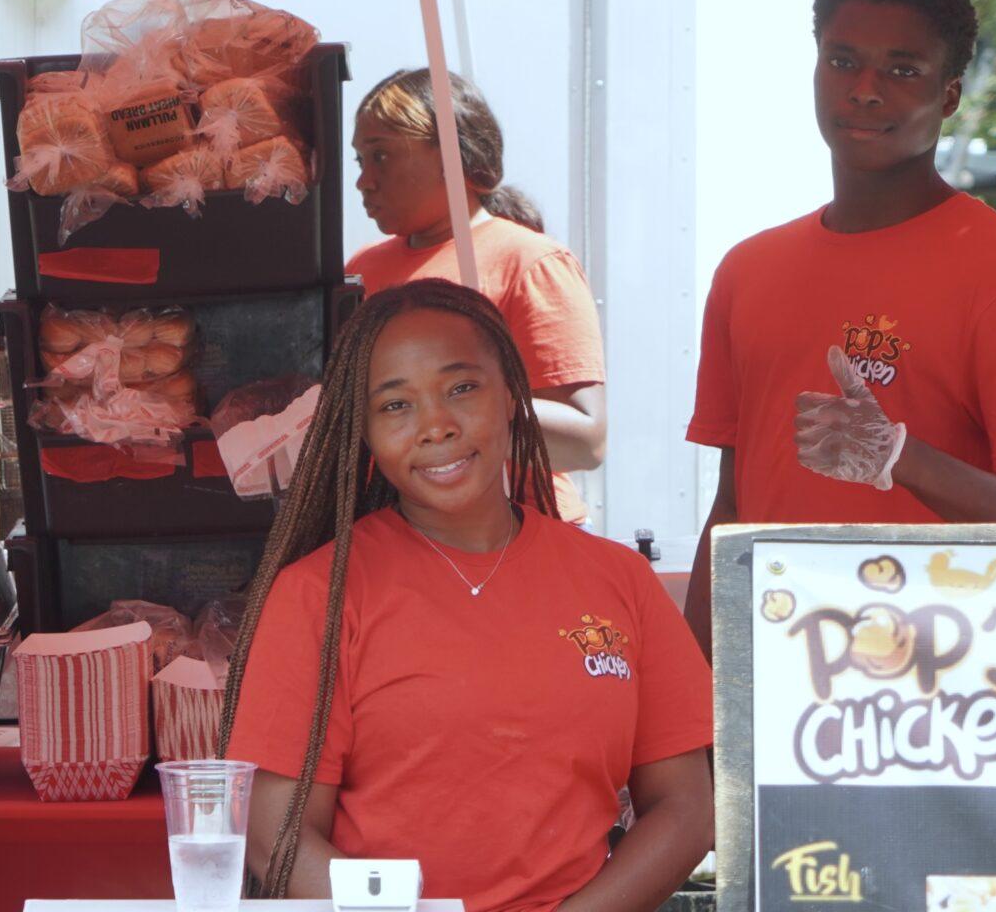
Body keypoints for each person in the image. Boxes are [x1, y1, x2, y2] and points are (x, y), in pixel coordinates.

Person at [221, 280, 712, 911]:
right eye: (395, 405)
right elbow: (276, 839)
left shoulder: (620, 580)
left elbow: (685, 809)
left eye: (461, 388)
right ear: (364, 432)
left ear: (511, 396)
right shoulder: (318, 594)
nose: (436, 426)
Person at [683, 0, 996, 651]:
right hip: (778, 665)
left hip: (933, 679)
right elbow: (731, 504)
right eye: (843, 61)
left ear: (949, 95)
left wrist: (899, 457)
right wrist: (694, 684)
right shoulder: (748, 270)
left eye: (903, 70)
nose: (865, 91)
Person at [347, 68, 605, 521]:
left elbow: (586, 440)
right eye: (360, 161)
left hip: (521, 535)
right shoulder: (359, 270)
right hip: (399, 538)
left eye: (381, 156)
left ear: (454, 156)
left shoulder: (530, 261)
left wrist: (455, 407)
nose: (363, 181)